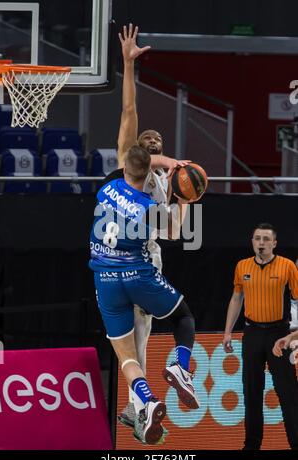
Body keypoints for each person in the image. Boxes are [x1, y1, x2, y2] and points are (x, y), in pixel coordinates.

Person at [89, 144, 200, 445]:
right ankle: (180, 365)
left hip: (105, 279)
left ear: (124, 168)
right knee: (184, 317)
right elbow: (177, 231)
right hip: (137, 275)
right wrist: (184, 198)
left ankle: (146, 402)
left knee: (127, 358)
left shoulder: (107, 187)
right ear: (149, 172)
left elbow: (130, 144)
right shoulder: (149, 208)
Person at [115, 23, 191, 431]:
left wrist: (182, 201)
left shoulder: (160, 187)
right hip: (135, 262)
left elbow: (174, 232)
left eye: (159, 138)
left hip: (131, 259)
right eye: (149, 139)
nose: (154, 140)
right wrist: (128, 67)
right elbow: (130, 115)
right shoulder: (133, 166)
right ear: (136, 151)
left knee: (135, 339)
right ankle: (174, 372)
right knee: (175, 321)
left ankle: (136, 405)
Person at [223, 223, 298, 450]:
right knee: (251, 391)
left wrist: (294, 335)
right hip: (252, 333)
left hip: (279, 334)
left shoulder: (287, 266)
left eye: (266, 239)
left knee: (288, 392)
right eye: (257, 238)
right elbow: (237, 299)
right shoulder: (242, 266)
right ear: (252, 242)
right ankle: (252, 444)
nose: (261, 243)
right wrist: (227, 332)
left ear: (274, 243)